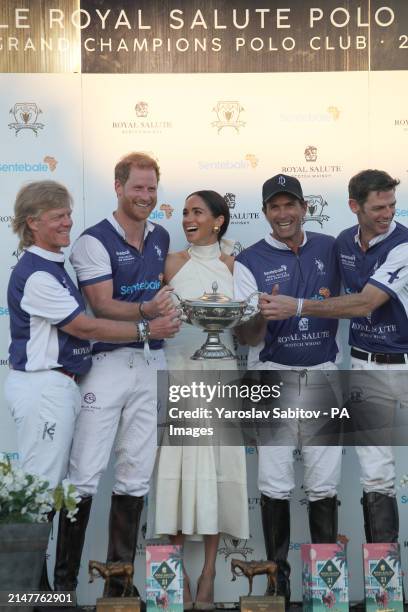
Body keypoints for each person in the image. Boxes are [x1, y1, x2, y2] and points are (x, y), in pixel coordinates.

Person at [4, 179, 177, 592]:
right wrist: (146, 327)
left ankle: (54, 588)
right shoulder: (37, 273)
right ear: (32, 222)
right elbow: (85, 324)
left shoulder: (51, 264)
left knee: (45, 487)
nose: (67, 222)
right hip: (43, 385)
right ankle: (34, 590)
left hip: (60, 385)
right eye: (57, 216)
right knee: (39, 489)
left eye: (67, 213)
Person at [260, 168, 406, 545]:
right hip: (363, 367)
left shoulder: (405, 244)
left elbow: (365, 303)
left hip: (403, 364)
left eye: (391, 205)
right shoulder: (341, 243)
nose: (387, 213)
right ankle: (385, 587)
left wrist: (297, 307)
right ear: (354, 206)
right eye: (377, 207)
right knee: (376, 473)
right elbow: (315, 275)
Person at [57, 152, 181, 595]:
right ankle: (62, 587)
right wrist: (149, 312)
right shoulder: (92, 240)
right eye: (138, 188)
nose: (146, 196)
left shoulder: (162, 235)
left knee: (134, 475)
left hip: (151, 362)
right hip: (107, 363)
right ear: (118, 186)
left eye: (151, 189)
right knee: (85, 474)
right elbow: (103, 304)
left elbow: (176, 279)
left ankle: (118, 587)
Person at [233, 174, 343, 606]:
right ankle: (278, 585)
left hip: (325, 374)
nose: (283, 214)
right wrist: (263, 315)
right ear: (264, 212)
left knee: (324, 483)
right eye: (275, 207)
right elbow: (247, 336)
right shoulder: (248, 260)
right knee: (274, 482)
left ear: (304, 208)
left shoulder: (331, 247)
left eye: (290, 205)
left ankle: (325, 586)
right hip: (272, 375)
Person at [150, 190, 249, 610]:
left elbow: (247, 323)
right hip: (179, 374)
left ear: (219, 221)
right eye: (186, 212)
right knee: (178, 474)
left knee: (217, 471)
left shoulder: (233, 266)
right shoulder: (171, 262)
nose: (188, 218)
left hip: (220, 378)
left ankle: (208, 574)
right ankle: (178, 578)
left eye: (198, 212)